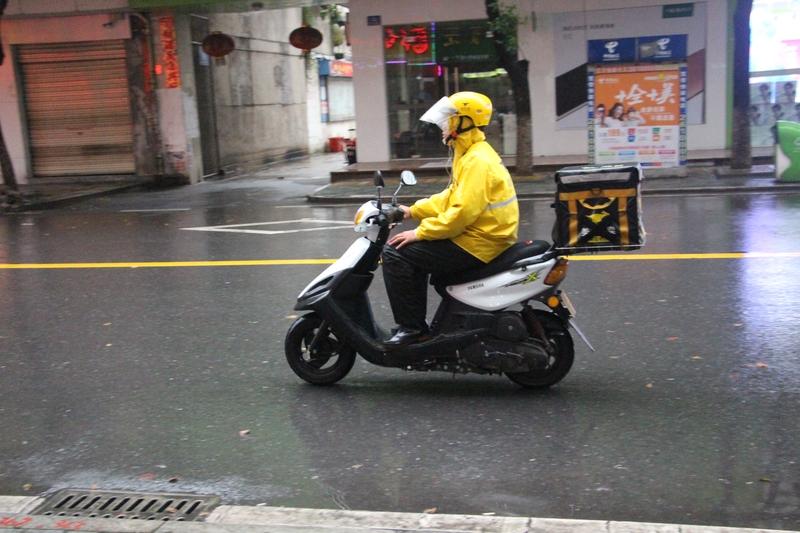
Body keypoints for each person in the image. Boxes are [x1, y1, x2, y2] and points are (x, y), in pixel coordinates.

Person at [382, 91, 519, 346]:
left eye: (449, 120)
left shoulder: (477, 160)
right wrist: (413, 211)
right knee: (410, 252)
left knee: (395, 253)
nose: (443, 126)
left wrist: (419, 232)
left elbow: (460, 214)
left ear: (464, 122)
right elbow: (452, 197)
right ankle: (423, 327)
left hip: (480, 241)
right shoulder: (470, 152)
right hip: (482, 235)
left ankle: (412, 329)